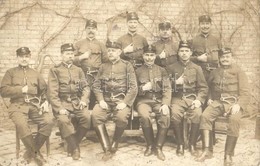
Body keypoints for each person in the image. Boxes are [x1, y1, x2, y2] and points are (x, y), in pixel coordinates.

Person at [195, 48, 250, 166]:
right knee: (205, 116)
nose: (225, 59)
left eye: (227, 57)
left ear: (232, 58)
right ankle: (207, 150)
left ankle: (228, 155)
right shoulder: (215, 72)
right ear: (219, 59)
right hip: (218, 102)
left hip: (233, 103)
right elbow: (208, 87)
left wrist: (239, 105)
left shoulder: (239, 72)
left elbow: (245, 92)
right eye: (223, 57)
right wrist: (209, 97)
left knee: (234, 120)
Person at [0, 47, 54, 165]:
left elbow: (44, 90)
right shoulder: (11, 73)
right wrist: (21, 89)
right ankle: (36, 154)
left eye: (26, 56)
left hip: (34, 106)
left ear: (29, 57)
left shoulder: (35, 73)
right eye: (21, 57)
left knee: (48, 121)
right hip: (17, 106)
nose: (24, 59)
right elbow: (3, 91)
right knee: (21, 124)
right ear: (17, 58)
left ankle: (29, 152)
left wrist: (45, 101)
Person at [92, 40, 138, 161]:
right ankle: (107, 147)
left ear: (119, 52)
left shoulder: (127, 65)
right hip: (105, 100)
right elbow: (96, 86)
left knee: (122, 117)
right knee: (96, 116)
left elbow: (133, 87)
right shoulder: (103, 66)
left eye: (113, 50)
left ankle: (115, 142)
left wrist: (124, 103)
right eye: (109, 50)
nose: (110, 53)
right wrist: (101, 100)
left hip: (121, 100)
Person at [47, 43, 91, 160]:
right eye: (67, 54)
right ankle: (75, 148)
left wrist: (83, 100)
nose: (70, 56)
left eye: (72, 54)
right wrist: (59, 108)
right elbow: (52, 92)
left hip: (76, 102)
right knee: (63, 120)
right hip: (62, 103)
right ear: (62, 55)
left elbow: (86, 87)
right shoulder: (55, 70)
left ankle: (73, 143)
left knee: (87, 118)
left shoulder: (78, 70)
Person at [166, 41, 208, 156]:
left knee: (197, 114)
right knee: (174, 114)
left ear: (191, 53)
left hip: (192, 99)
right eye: (181, 51)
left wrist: (199, 100)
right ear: (178, 53)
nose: (184, 53)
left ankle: (192, 144)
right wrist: (175, 82)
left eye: (186, 51)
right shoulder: (171, 67)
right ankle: (180, 144)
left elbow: (203, 88)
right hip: (177, 99)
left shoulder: (197, 68)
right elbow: (165, 86)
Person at [135, 45, 172, 161]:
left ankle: (158, 147)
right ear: (143, 56)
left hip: (158, 101)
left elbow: (167, 88)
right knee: (145, 116)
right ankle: (150, 145)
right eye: (147, 55)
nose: (149, 58)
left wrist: (165, 103)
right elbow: (132, 90)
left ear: (155, 56)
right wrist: (142, 89)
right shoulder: (137, 71)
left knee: (165, 115)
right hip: (143, 101)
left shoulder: (162, 70)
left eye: (151, 55)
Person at [74, 19, 108, 109]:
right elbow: (71, 60)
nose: (91, 30)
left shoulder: (101, 45)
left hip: (96, 76)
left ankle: (94, 120)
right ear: (85, 30)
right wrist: (81, 57)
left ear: (96, 30)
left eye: (93, 28)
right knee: (82, 96)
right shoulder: (78, 44)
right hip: (83, 75)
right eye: (88, 28)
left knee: (95, 97)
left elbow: (106, 61)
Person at [191, 15, 222, 80]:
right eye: (202, 24)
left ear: (211, 25)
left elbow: (221, 57)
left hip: (215, 74)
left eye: (207, 24)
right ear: (199, 25)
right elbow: (188, 59)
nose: (205, 26)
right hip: (199, 74)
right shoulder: (194, 40)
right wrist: (198, 58)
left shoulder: (216, 40)